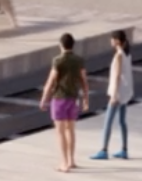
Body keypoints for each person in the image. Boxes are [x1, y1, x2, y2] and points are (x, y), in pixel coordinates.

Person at [41, 33, 89, 173]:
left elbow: (51, 81)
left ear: (60, 45)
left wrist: (44, 98)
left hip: (59, 98)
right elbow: (84, 81)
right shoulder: (79, 60)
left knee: (60, 132)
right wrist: (86, 98)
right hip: (73, 98)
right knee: (71, 130)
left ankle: (63, 163)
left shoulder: (58, 61)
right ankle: (71, 160)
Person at [91, 29, 134, 161]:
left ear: (116, 41)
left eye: (111, 39)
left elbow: (116, 76)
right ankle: (124, 149)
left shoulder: (119, 56)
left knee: (108, 122)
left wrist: (114, 95)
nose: (110, 41)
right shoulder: (127, 54)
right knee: (122, 121)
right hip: (125, 92)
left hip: (118, 93)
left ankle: (103, 150)